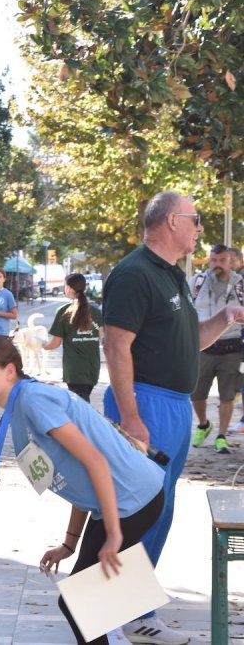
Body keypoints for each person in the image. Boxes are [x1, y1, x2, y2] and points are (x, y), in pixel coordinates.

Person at [102, 190, 244, 644]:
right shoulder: (134, 274)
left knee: (157, 512)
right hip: (145, 403)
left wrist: (226, 317)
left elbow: (188, 340)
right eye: (195, 219)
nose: (201, 228)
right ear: (170, 222)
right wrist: (131, 414)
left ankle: (135, 612)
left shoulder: (174, 277)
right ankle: (104, 617)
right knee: (130, 514)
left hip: (174, 406)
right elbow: (115, 345)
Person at [0, 335, 165, 645]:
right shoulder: (22, 406)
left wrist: (114, 534)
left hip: (134, 499)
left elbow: (96, 463)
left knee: (80, 604)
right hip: (121, 500)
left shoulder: (33, 400)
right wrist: (69, 545)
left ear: (9, 371)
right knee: (91, 604)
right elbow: (77, 477)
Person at [187, 244, 244, 454]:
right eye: (214, 260)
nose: (217, 265)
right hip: (202, 346)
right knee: (196, 394)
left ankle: (221, 436)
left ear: (230, 262)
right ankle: (203, 424)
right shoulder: (198, 282)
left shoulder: (240, 285)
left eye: (221, 261)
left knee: (227, 396)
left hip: (231, 347)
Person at [42, 273, 103, 403]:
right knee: (83, 401)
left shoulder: (64, 311)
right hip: (92, 366)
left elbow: (55, 343)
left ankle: (87, 423)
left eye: (65, 286)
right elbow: (100, 336)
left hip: (74, 368)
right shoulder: (96, 312)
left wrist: (42, 344)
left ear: (69, 288)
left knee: (80, 406)